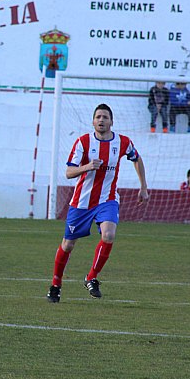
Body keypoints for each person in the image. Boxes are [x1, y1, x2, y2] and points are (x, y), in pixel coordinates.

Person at [47, 104, 149, 303]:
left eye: (105, 117)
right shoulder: (83, 142)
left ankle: (92, 277)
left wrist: (143, 187)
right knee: (68, 245)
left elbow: (136, 159)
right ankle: (55, 285)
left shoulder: (122, 142)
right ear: (93, 121)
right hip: (82, 202)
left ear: (112, 121)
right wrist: (87, 166)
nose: (101, 120)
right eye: (98, 117)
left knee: (109, 234)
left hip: (107, 199)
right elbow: (69, 172)